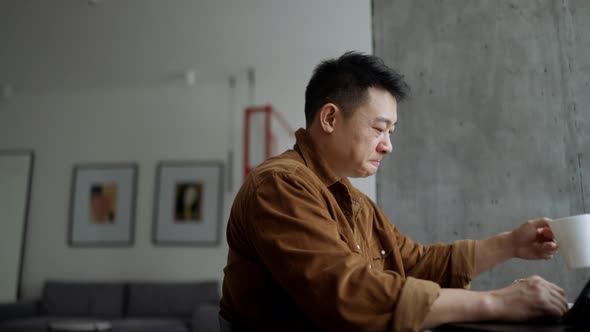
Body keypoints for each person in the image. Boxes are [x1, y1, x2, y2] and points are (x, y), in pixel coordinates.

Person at [220, 51, 568, 331]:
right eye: (378, 129)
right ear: (329, 118)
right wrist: (498, 303)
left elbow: (416, 263)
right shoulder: (281, 184)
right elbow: (350, 293)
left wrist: (511, 244)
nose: (388, 146)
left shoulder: (355, 202)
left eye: (392, 132)